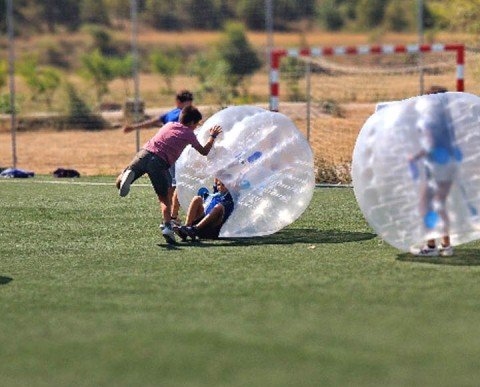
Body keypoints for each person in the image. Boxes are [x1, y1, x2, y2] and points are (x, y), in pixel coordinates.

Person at [116, 106, 222, 244]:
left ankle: (126, 175)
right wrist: (212, 137)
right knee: (164, 198)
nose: (197, 126)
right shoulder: (189, 134)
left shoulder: (170, 124)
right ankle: (167, 227)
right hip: (159, 162)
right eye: (196, 123)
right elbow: (204, 151)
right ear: (191, 123)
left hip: (144, 153)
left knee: (121, 181)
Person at [122, 90, 194, 225]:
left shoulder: (170, 114)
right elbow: (194, 129)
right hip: (176, 155)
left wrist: (133, 127)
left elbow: (151, 122)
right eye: (188, 103)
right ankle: (173, 217)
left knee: (172, 185)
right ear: (182, 103)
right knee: (175, 185)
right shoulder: (184, 116)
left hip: (156, 151)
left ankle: (126, 175)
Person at [409, 96, 457, 257]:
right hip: (447, 167)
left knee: (425, 205)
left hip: (436, 168)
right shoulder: (447, 122)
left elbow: (430, 145)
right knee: (440, 204)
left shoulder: (430, 122)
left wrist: (414, 157)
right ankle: (446, 245)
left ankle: (431, 246)